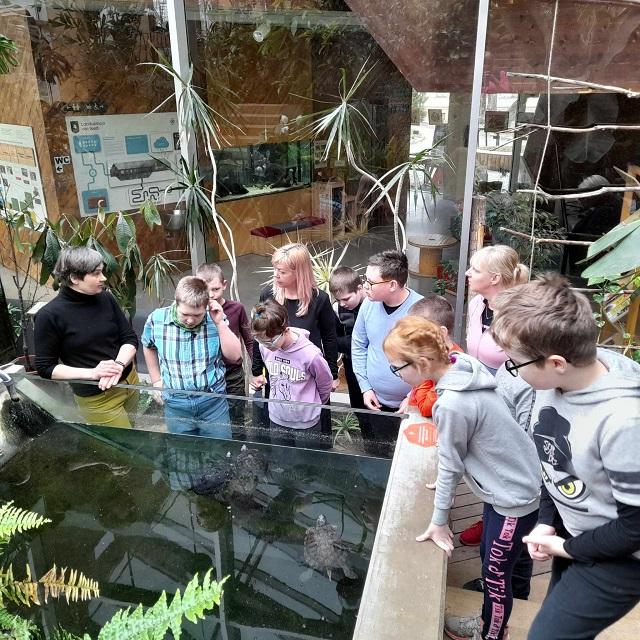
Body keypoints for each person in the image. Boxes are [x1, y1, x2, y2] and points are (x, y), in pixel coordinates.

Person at [490, 274, 640, 640]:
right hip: (575, 532)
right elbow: (553, 463)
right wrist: (547, 521)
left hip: (621, 557)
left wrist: (566, 547)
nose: (513, 372)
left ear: (556, 362)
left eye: (515, 363)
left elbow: (635, 527)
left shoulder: (624, 422)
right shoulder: (556, 383)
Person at [384, 317, 540, 640]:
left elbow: (450, 464)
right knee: (490, 559)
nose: (396, 374)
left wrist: (439, 521)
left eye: (396, 368)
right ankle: (488, 623)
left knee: (495, 575)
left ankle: (491, 635)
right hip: (506, 487)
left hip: (512, 499)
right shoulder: (462, 364)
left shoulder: (452, 404)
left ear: (422, 364)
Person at [462, 244, 529, 546]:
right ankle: (488, 513)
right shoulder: (479, 304)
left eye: (475, 269)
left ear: (495, 279)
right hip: (480, 395)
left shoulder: (520, 316)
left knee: (503, 462)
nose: (467, 273)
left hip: (510, 400)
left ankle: (503, 519)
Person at [34, 246, 139, 428]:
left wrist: (119, 365)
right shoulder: (49, 316)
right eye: (96, 273)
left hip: (130, 381)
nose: (103, 278)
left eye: (102, 272)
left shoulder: (106, 298)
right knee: (122, 443)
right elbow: (45, 367)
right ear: (74, 278)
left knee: (134, 432)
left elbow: (129, 338)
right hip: (98, 397)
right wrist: (93, 373)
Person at [141, 276, 242, 438]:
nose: (190, 320)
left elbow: (235, 356)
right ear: (176, 303)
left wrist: (219, 323)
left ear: (206, 306)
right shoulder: (157, 319)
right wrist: (156, 380)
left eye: (197, 315)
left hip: (212, 401)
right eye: (185, 314)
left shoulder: (214, 319)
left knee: (221, 448)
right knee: (182, 449)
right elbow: (148, 345)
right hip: (175, 402)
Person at [351, 250, 422, 455]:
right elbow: (358, 345)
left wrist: (413, 396)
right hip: (376, 402)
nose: (365, 286)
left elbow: (429, 360)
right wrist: (365, 387)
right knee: (379, 453)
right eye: (365, 279)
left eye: (371, 282)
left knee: (408, 456)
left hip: (412, 405)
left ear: (392, 285)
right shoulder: (368, 304)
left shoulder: (420, 310)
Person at [251, 243, 339, 390]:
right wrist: (257, 371)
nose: (275, 274)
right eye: (275, 269)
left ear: (299, 273)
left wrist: (333, 374)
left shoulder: (320, 299)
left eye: (282, 272)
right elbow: (259, 332)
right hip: (277, 374)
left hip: (308, 377)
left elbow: (329, 338)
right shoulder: (268, 294)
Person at [250, 299, 333, 447]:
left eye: (270, 342)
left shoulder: (310, 354)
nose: (266, 346)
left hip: (306, 422)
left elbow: (325, 383)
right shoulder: (265, 347)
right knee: (281, 458)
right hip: (277, 417)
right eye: (261, 341)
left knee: (306, 459)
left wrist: (312, 404)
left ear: (285, 330)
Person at [195, 263, 253, 409]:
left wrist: (257, 370)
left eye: (215, 289)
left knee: (236, 415)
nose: (210, 295)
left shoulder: (237, 308)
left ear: (224, 285)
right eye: (205, 290)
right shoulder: (193, 312)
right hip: (206, 374)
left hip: (232, 373)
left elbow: (249, 340)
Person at [400, 294, 463, 417]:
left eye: (418, 332)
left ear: (441, 333)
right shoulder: (434, 354)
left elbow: (426, 408)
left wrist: (420, 372)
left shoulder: (452, 364)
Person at [328, 266, 366, 411]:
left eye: (346, 299)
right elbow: (333, 340)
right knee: (358, 406)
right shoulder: (337, 308)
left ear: (359, 288)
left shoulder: (374, 304)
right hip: (351, 364)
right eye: (338, 300)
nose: (342, 304)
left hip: (373, 366)